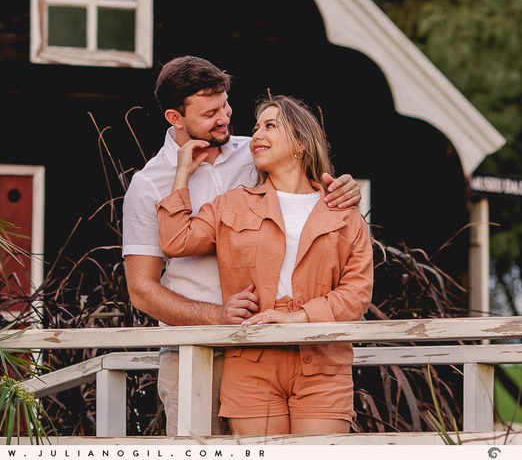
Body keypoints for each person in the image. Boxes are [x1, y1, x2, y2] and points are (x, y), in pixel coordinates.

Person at [121, 56, 362, 435]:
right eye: (210, 112)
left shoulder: (257, 153)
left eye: (226, 105)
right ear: (175, 118)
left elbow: (308, 185)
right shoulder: (149, 184)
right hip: (193, 351)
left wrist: (346, 190)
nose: (224, 118)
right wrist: (217, 316)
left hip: (268, 342)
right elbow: (142, 290)